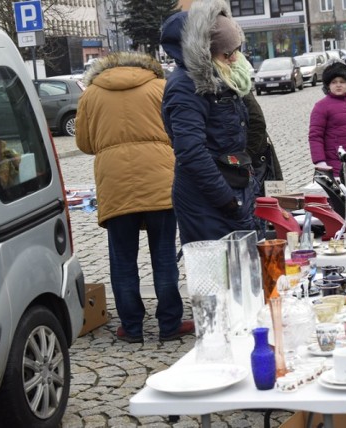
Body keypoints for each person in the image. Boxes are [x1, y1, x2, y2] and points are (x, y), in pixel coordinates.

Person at [76, 52, 193, 343]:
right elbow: (177, 129)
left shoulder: (91, 94)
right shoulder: (159, 87)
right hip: (159, 178)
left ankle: (131, 327)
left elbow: (85, 143)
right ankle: (169, 324)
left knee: (122, 259)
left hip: (114, 183)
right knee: (164, 255)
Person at [160, 0, 257, 244]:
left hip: (232, 189)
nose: (234, 59)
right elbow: (191, 151)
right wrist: (226, 199)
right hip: (207, 200)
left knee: (241, 271)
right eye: (227, 53)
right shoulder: (185, 86)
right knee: (218, 276)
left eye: (236, 50)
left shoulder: (221, 79)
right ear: (206, 51)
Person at [308, 62, 346, 177]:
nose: (338, 85)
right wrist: (320, 162)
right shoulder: (321, 106)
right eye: (334, 82)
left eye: (342, 82)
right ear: (328, 85)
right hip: (335, 164)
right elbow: (315, 136)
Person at [243, 91, 283, 197]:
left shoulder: (239, 87)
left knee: (266, 203)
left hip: (258, 159)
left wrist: (245, 156)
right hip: (251, 158)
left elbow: (257, 122)